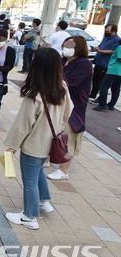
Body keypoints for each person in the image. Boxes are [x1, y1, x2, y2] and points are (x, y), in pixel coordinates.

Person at [4, 48, 73, 230]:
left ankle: (29, 216)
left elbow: (22, 125)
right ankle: (44, 201)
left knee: (29, 180)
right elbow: (68, 111)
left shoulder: (34, 94)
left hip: (34, 144)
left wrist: (11, 146)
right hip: (52, 141)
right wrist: (58, 127)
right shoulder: (62, 87)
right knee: (38, 171)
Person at [46, 36, 92, 180]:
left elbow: (68, 82)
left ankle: (63, 170)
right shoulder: (62, 61)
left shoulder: (84, 63)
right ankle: (47, 159)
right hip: (56, 103)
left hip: (74, 107)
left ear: (79, 47)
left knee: (68, 137)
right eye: (66, 45)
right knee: (53, 132)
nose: (67, 48)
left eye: (71, 45)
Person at [90, 24, 120, 103]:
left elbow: (113, 51)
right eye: (105, 31)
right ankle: (93, 95)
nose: (106, 33)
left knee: (103, 84)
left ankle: (101, 100)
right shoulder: (106, 38)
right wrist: (96, 49)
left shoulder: (117, 40)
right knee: (96, 80)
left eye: (108, 32)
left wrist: (99, 51)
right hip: (99, 62)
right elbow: (100, 46)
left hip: (106, 64)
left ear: (114, 32)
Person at [93, 34, 121, 112]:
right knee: (115, 88)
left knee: (104, 87)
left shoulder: (120, 47)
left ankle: (102, 104)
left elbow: (120, 58)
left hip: (113, 70)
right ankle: (111, 104)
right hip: (119, 72)